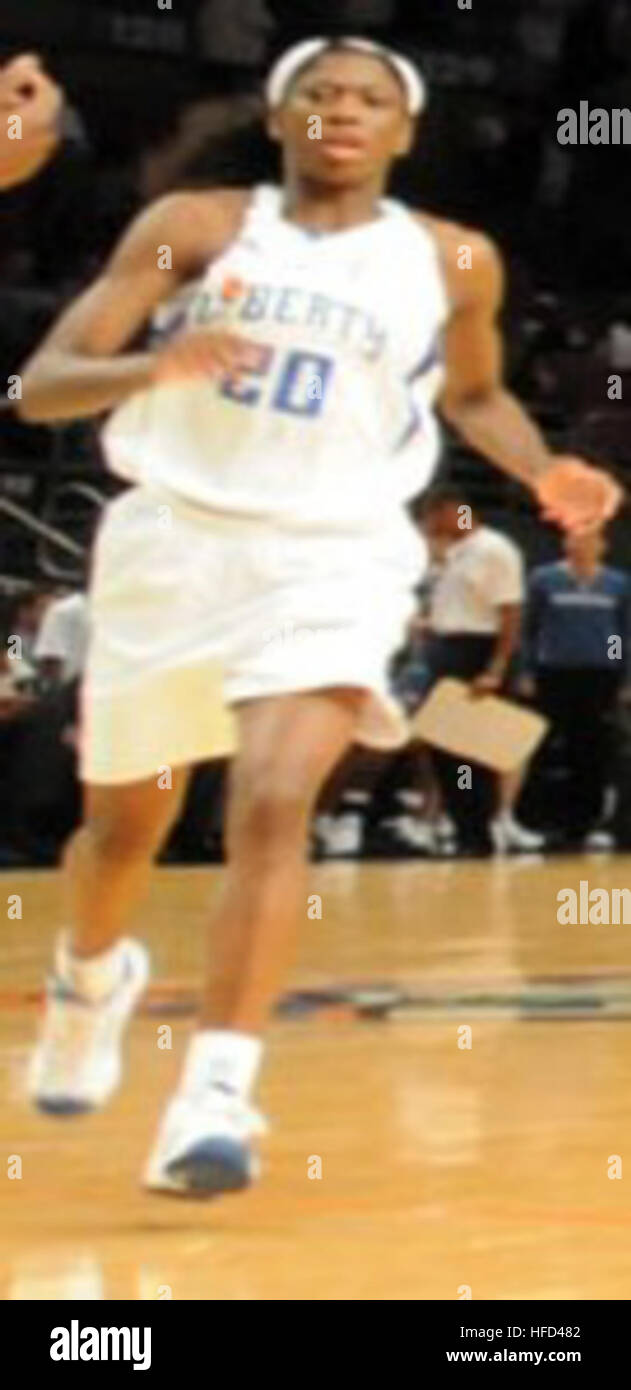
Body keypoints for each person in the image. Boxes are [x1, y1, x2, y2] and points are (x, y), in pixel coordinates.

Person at [18, 36, 620, 1199]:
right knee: (122, 836)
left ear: (403, 131)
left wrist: (547, 470)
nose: (341, 110)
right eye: (318, 93)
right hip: (177, 544)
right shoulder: (193, 226)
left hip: (334, 550)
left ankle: (219, 1089)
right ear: (280, 117)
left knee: (278, 792)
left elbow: (477, 394)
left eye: (368, 98)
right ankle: (93, 972)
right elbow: (43, 381)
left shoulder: (452, 259)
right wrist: (155, 366)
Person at [419, 487, 543, 856]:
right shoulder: (451, 555)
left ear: (455, 511)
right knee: (442, 746)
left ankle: (479, 831)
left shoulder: (494, 550)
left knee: (473, 748)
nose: (430, 526)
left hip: (478, 651)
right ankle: (463, 826)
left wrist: (496, 667)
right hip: (447, 649)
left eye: (433, 517)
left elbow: (510, 613)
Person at [523, 528, 631, 847]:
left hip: (599, 675)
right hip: (553, 672)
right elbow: (531, 629)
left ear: (603, 546)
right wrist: (527, 671)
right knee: (543, 745)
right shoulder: (543, 578)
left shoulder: (617, 583)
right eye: (575, 540)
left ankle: (584, 823)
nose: (581, 546)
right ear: (565, 543)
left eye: (589, 540)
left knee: (591, 750)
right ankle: (537, 819)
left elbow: (619, 632)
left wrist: (619, 672)